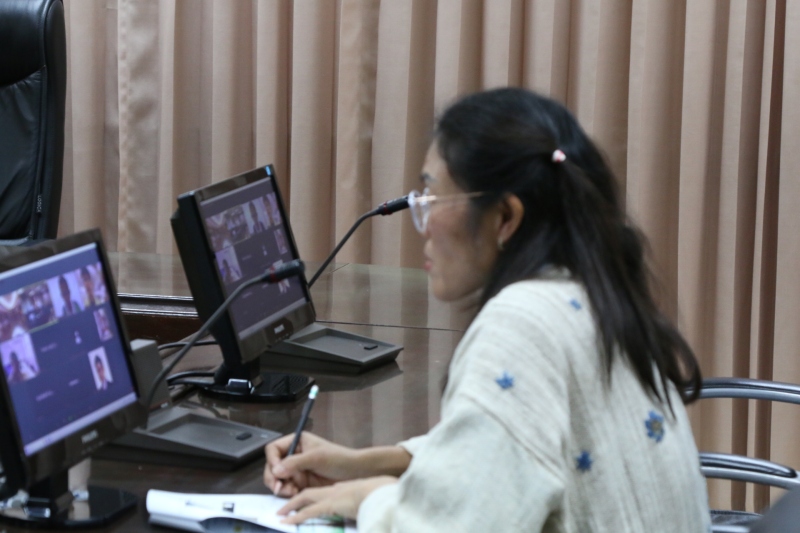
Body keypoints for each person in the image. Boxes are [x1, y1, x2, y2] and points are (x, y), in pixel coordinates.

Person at [263, 88, 710, 532]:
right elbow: (512, 448)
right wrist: (363, 464)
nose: (424, 225)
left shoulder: (521, 325)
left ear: (505, 218)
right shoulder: (591, 291)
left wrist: (372, 497)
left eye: (433, 197)